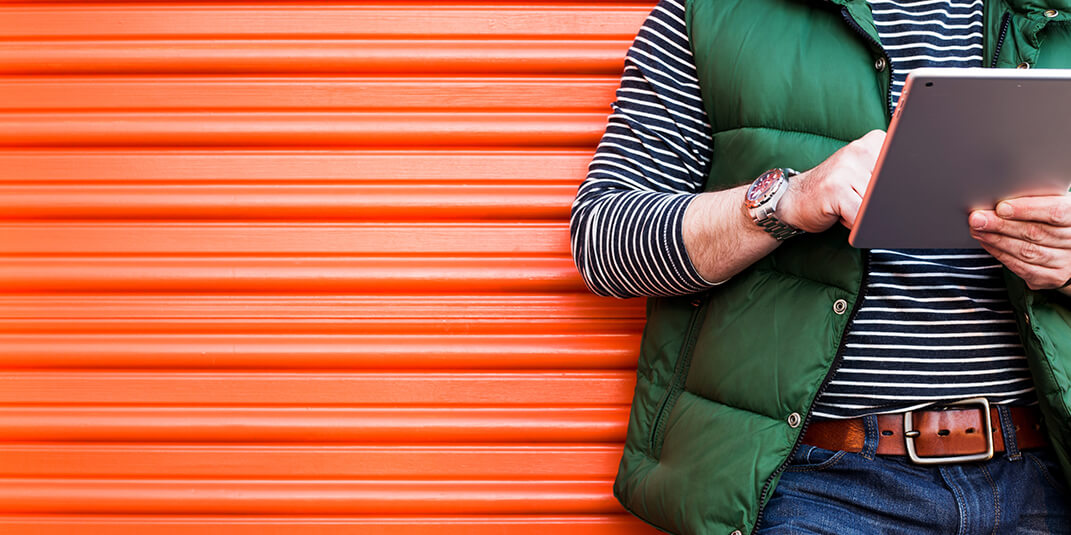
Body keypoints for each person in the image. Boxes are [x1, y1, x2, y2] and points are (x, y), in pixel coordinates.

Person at [569, 0, 1071, 533]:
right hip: (818, 489)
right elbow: (604, 242)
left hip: (1045, 478)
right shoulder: (711, 14)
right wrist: (788, 200)